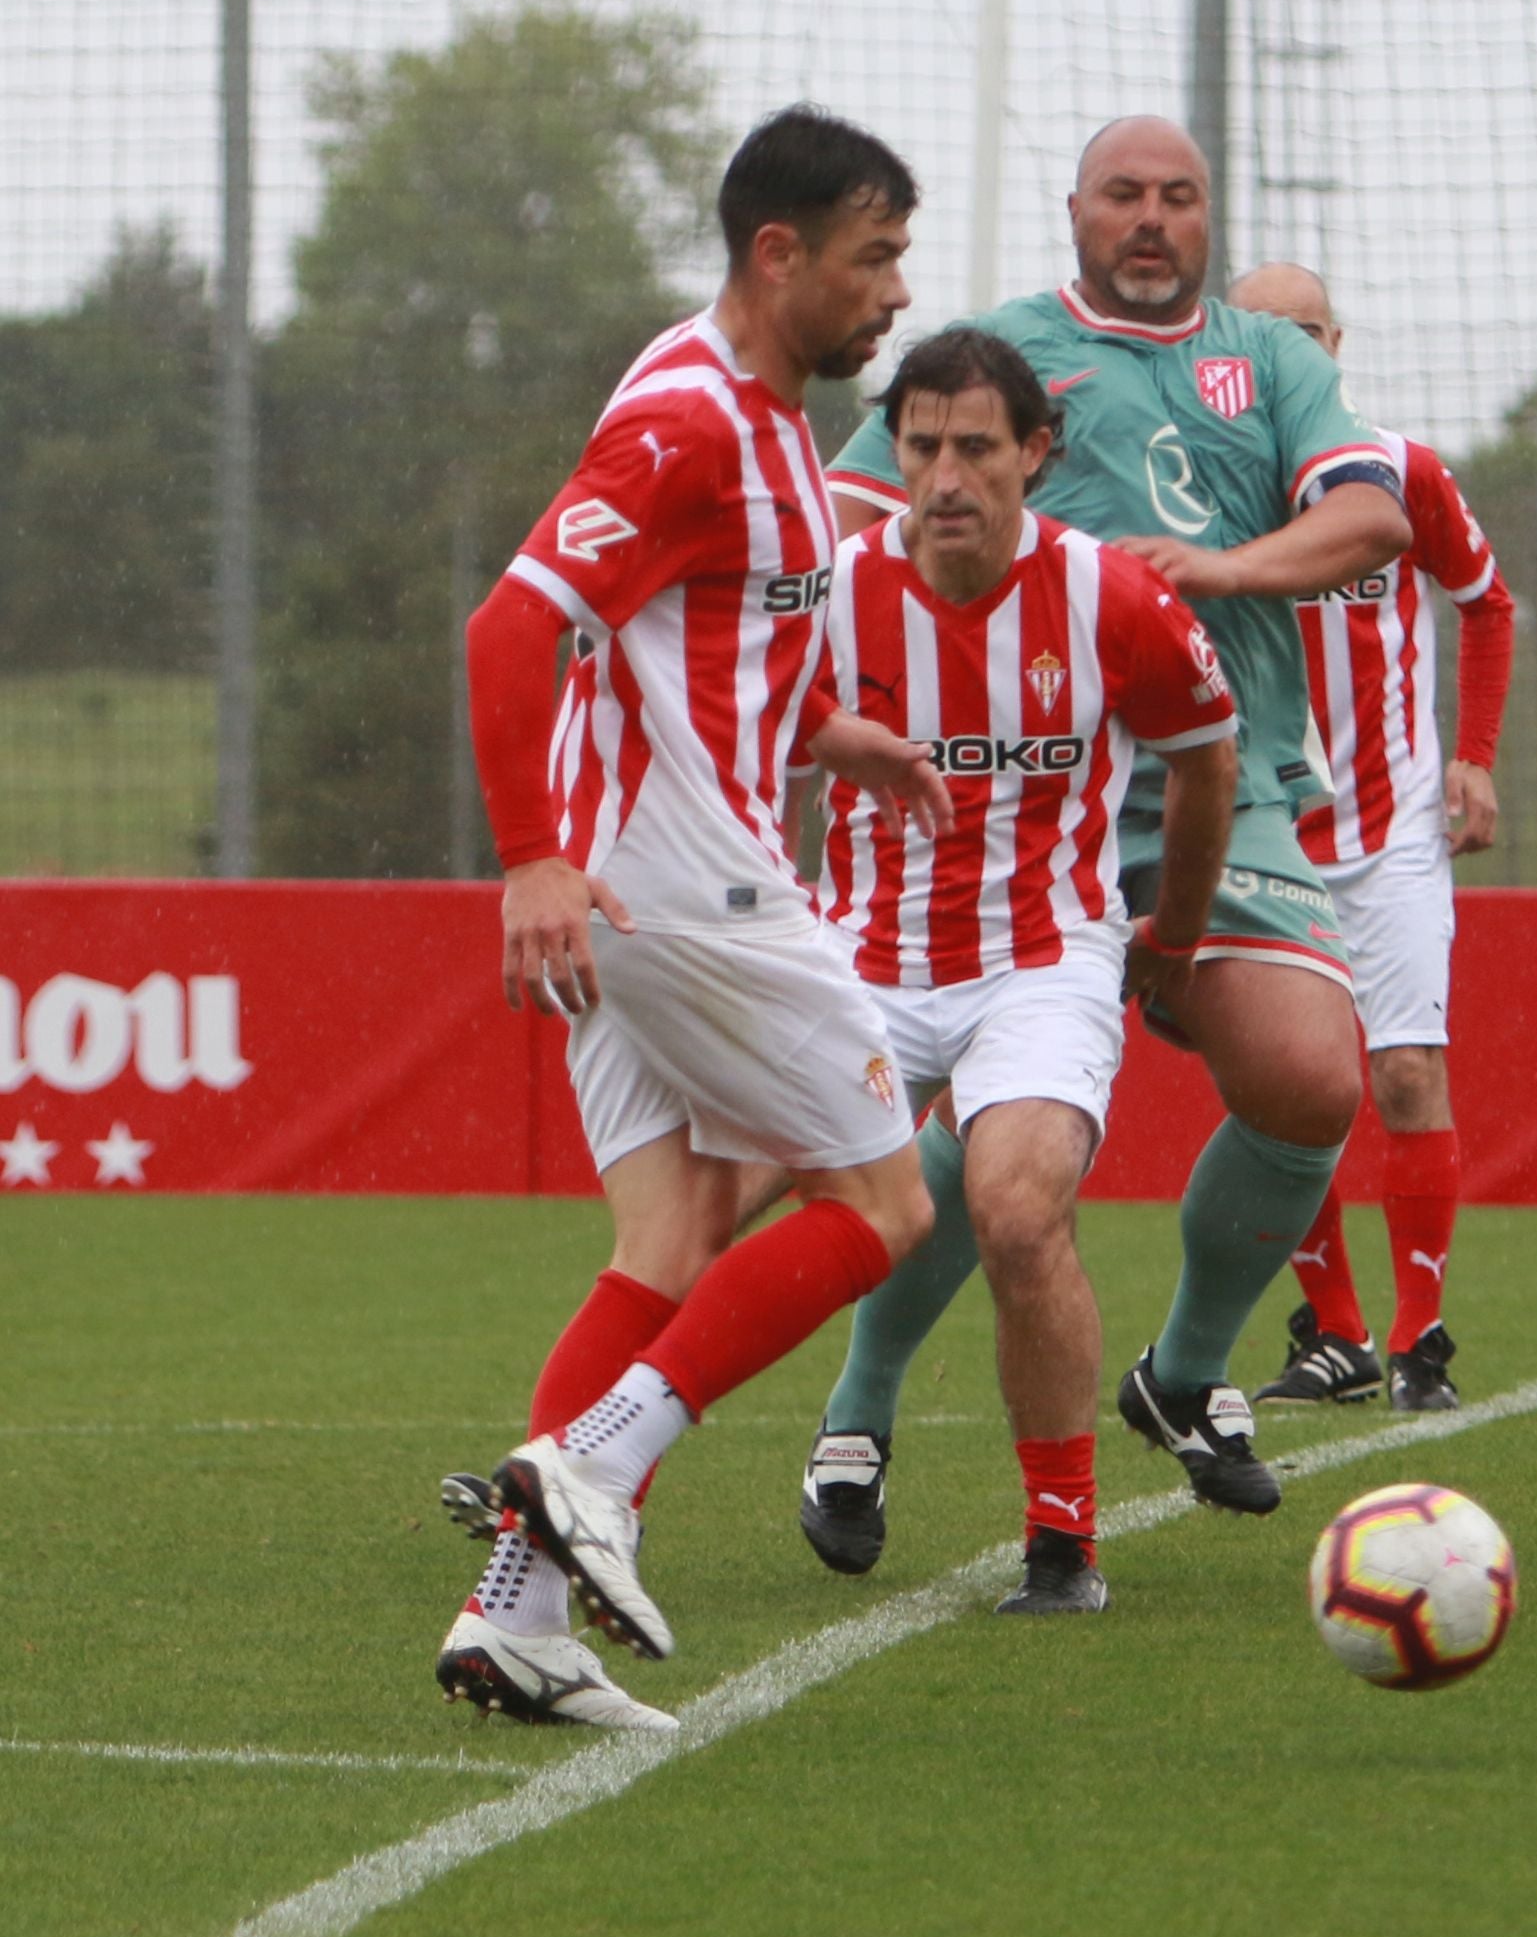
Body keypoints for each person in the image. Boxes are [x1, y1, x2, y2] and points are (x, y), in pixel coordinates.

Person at [799, 114, 1412, 1557]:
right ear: (1073, 210)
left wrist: (1219, 568)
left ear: (1208, 217)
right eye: (1122, 194)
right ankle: (860, 1401)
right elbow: (841, 526)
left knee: (1312, 1078)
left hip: (1221, 776)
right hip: (1010, 795)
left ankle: (1183, 1372)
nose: (1150, 218)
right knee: (989, 1151)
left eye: (1177, 197)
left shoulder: (1272, 361)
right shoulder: (996, 358)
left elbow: (1372, 518)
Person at [437, 104, 956, 1730]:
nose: (895, 291)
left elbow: (692, 649)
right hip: (677, 879)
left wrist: (830, 734)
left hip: (638, 876)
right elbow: (511, 627)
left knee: (670, 1237)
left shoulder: (770, 422)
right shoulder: (689, 424)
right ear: (777, 253)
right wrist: (530, 856)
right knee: (883, 1200)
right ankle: (596, 1463)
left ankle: (515, 1620)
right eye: (873, 257)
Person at [800, 325, 1239, 1614]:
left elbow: (1207, 755)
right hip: (859, 959)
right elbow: (732, 742)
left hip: (1042, 960)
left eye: (977, 448)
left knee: (1016, 1211)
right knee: (716, 1200)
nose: (946, 477)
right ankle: (596, 1483)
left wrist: (1173, 937)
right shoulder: (826, 594)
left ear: (1037, 452)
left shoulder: (1111, 596)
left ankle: (1062, 1540)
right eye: (921, 445)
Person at [1223, 263, 1515, 1414]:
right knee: (1290, 1093)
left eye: (1305, 331)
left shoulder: (1399, 472)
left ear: (1335, 344)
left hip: (1391, 832)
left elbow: (1486, 603)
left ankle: (1418, 1337)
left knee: (1403, 1071)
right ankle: (1334, 1333)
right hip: (1264, 834)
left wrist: (1475, 754)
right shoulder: (1205, 485)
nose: (1288, 351)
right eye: (1263, 333)